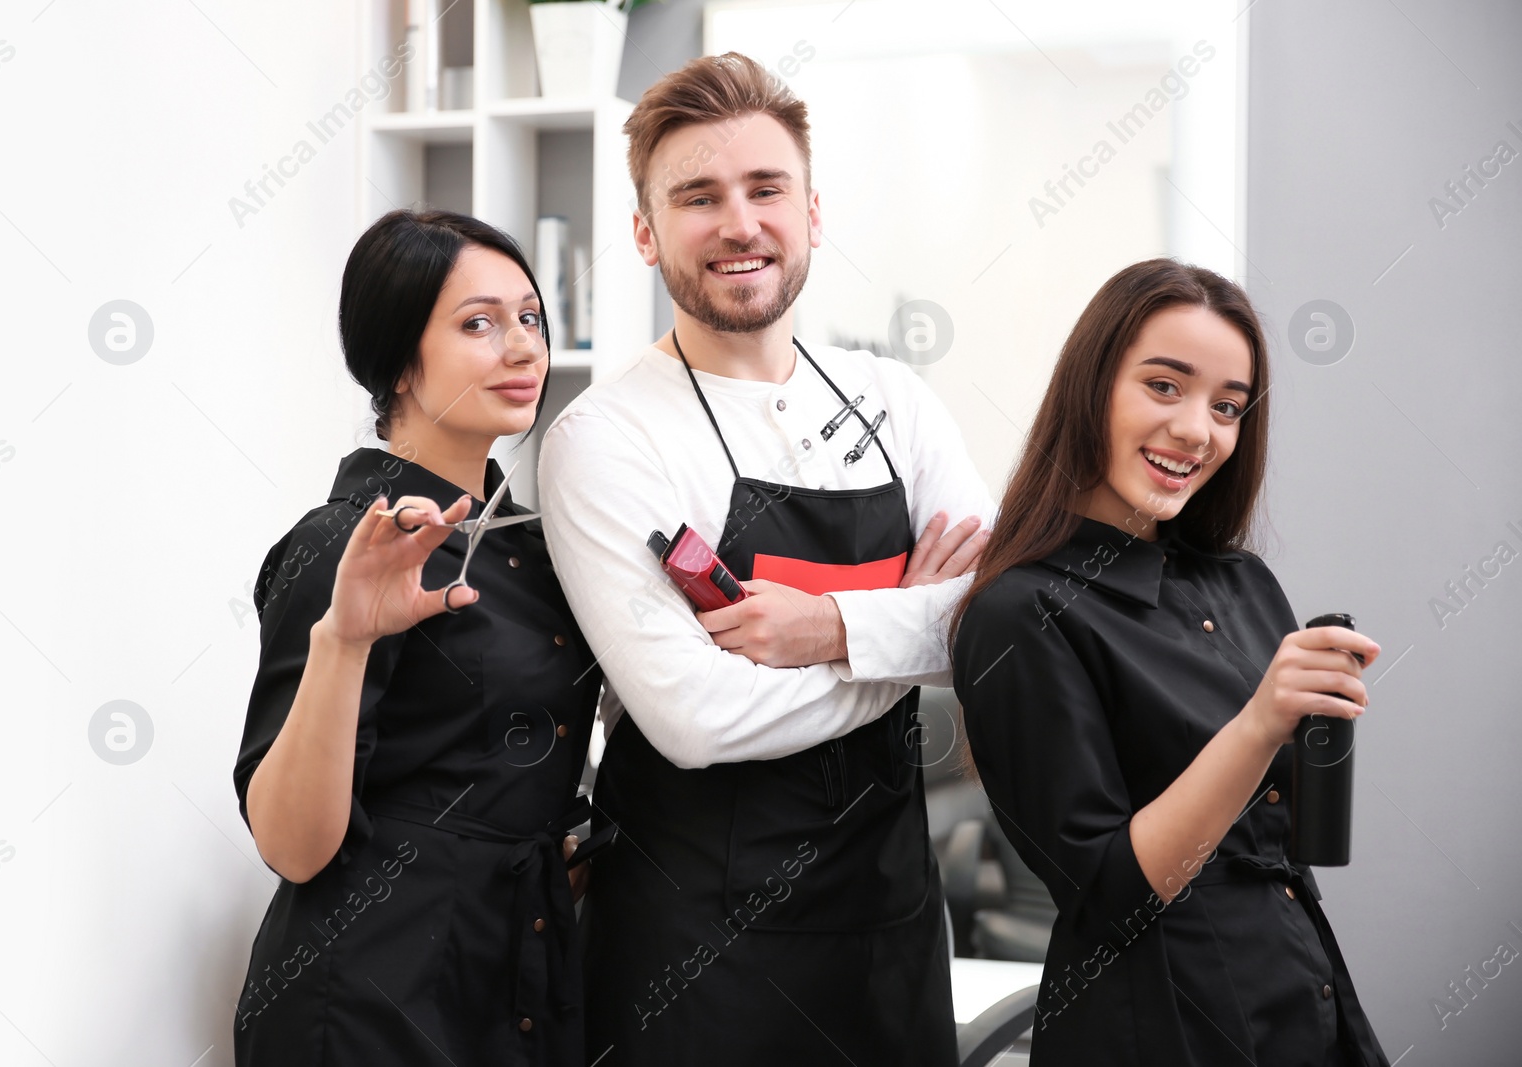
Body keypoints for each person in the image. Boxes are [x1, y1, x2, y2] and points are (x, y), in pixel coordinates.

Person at [537, 53, 994, 1065]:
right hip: (695, 958)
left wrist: (826, 629)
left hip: (888, 928)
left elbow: (1001, 628)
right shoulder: (604, 438)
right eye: (698, 196)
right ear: (646, 232)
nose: (738, 223)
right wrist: (901, 632)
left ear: (812, 212)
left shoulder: (894, 403)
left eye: (764, 189)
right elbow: (697, 718)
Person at [951, 258, 1391, 1066]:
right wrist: (1260, 724)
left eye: (1228, 406)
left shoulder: (1243, 580)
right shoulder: (1021, 613)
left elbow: (1287, 831)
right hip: (1159, 1022)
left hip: (1303, 990)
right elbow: (1110, 893)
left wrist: (1312, 725)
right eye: (1164, 386)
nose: (1199, 430)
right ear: (1091, 387)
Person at [231, 209, 601, 1066]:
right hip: (369, 996)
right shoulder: (341, 544)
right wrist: (345, 640)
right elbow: (290, 842)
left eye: (529, 318)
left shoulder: (538, 546)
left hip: (517, 978)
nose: (521, 347)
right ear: (399, 358)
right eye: (479, 323)